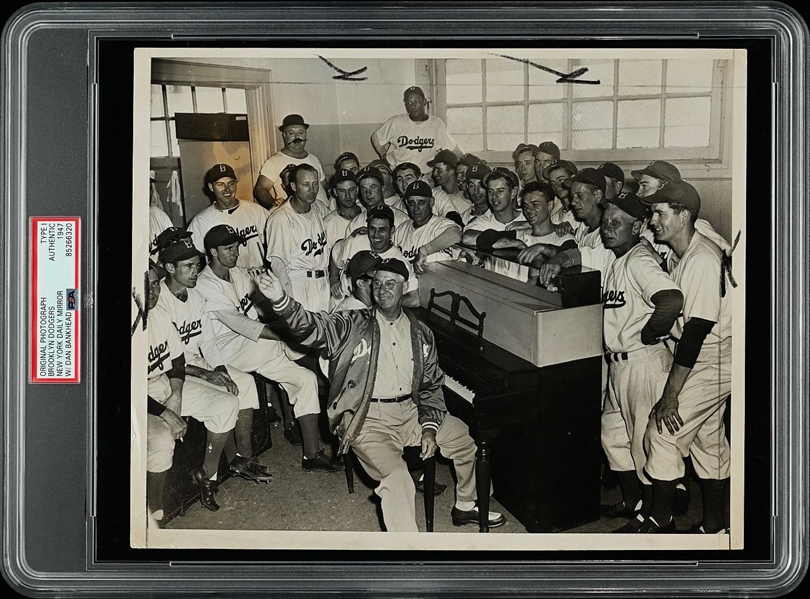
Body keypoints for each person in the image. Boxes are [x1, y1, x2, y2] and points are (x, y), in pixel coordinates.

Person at [256, 258, 506, 532]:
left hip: (410, 412)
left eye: (390, 284)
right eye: (377, 284)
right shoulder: (352, 324)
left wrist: (430, 428)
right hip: (368, 418)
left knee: (463, 439)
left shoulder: (421, 333)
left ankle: (466, 505)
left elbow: (431, 385)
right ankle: (408, 554)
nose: (382, 290)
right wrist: (280, 300)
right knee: (398, 478)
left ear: (405, 287)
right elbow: (313, 328)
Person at [195, 225, 342, 472]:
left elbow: (262, 307)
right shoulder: (205, 284)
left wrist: (284, 317)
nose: (235, 252)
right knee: (285, 345)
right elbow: (242, 325)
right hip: (224, 351)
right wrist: (288, 333)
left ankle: (312, 454)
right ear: (212, 251)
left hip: (253, 348)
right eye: (228, 248)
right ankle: (245, 459)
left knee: (305, 380)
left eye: (236, 246)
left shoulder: (239, 274)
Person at [639, 181, 732, 534]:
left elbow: (695, 333)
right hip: (705, 355)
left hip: (714, 356)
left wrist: (671, 394)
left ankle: (660, 522)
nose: (652, 221)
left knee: (662, 431)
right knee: (708, 438)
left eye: (660, 213)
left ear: (684, 215)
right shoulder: (683, 253)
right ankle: (715, 527)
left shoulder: (702, 259)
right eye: (651, 213)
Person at [156, 233, 273, 488]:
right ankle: (215, 468)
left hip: (198, 361)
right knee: (227, 397)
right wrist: (208, 375)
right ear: (169, 267)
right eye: (188, 266)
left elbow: (208, 341)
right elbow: (167, 361)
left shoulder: (196, 297)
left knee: (244, 382)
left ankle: (243, 458)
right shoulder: (160, 302)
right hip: (172, 373)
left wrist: (221, 370)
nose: (196, 271)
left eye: (197, 265)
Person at [147, 242, 241, 513]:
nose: (153, 291)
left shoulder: (159, 313)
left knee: (227, 403)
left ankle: (207, 477)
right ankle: (154, 510)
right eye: (147, 285)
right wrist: (165, 412)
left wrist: (176, 395)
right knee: (163, 438)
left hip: (166, 383)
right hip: (141, 395)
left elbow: (177, 358)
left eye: (154, 285)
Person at [264, 164, 331, 312]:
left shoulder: (319, 209)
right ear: (293, 186)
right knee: (304, 333)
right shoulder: (281, 218)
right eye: (305, 184)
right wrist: (288, 304)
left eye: (315, 184)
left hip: (322, 282)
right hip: (299, 285)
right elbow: (278, 267)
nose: (312, 190)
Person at [187, 164, 270, 277]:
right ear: (211, 187)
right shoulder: (201, 221)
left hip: (260, 276)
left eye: (231, 183)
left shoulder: (256, 211)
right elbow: (193, 259)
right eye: (220, 184)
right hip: (226, 282)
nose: (227, 189)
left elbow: (274, 246)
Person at [631, 160, 730, 254]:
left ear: (665, 187)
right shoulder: (647, 223)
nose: (637, 193)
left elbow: (729, 256)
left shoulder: (696, 226)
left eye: (644, 186)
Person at [329, 205, 420, 307]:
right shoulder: (356, 240)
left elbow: (414, 300)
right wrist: (334, 279)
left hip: (368, 309)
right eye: (372, 229)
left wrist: (382, 301)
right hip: (340, 300)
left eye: (382, 229)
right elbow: (335, 251)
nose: (376, 235)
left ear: (392, 231)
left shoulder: (399, 261)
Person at [371, 86, 461, 175]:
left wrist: (467, 161)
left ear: (424, 101)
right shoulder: (397, 121)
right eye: (408, 103)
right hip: (400, 173)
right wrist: (384, 155)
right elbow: (376, 137)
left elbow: (452, 147)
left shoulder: (436, 124)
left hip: (425, 174)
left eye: (416, 101)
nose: (413, 106)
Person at [253, 114, 329, 209]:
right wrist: (272, 203)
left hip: (322, 214)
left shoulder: (314, 159)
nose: (297, 137)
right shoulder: (274, 162)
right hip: (296, 217)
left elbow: (325, 186)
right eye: (291, 133)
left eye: (300, 133)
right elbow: (260, 189)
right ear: (284, 135)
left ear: (305, 134)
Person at [395, 180, 462, 273]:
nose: (416, 208)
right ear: (406, 203)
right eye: (412, 203)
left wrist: (424, 251)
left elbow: (455, 235)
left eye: (421, 203)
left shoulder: (440, 224)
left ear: (431, 202)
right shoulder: (402, 229)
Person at [461, 170, 527, 249]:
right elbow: (467, 237)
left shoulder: (527, 216)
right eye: (490, 191)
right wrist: (513, 238)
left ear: (513, 193)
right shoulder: (484, 221)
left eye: (500, 191)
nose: (494, 196)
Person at [345, 166, 411, 235]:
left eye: (373, 187)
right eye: (364, 188)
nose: (368, 193)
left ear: (382, 188)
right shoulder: (355, 224)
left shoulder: (401, 219)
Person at [323, 169, 363, 261]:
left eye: (351, 190)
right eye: (342, 191)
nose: (347, 196)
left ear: (357, 189)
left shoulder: (368, 215)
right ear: (335, 192)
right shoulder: (327, 223)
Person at [428, 149, 471, 224]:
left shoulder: (467, 194)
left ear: (451, 172)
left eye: (438, 170)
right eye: (434, 170)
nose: (434, 174)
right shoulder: (434, 195)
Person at [543, 160, 578, 227]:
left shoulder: (585, 214)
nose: (556, 185)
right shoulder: (554, 218)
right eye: (552, 183)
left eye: (561, 180)